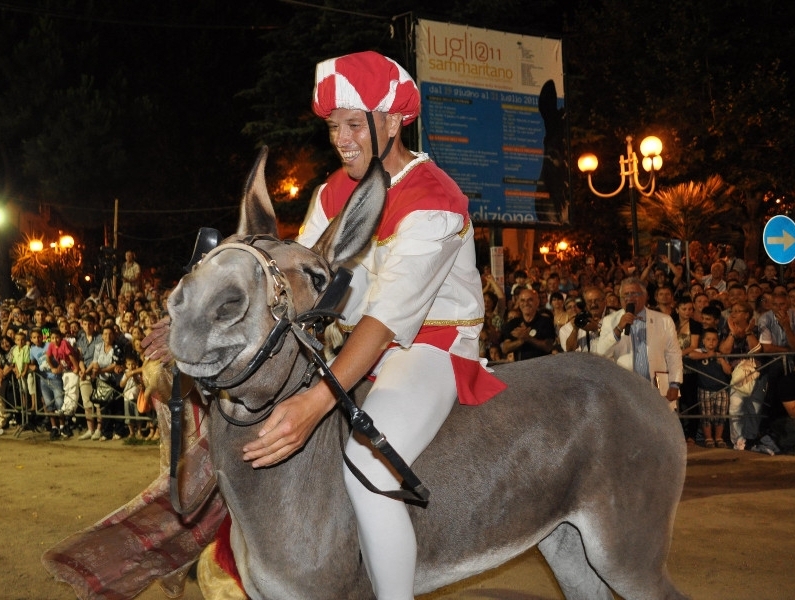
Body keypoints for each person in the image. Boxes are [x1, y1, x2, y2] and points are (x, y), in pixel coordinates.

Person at [241, 50, 504, 600]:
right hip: (364, 344)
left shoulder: (435, 197)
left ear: (393, 120)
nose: (340, 138)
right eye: (334, 127)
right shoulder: (333, 192)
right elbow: (303, 278)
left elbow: (386, 322)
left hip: (430, 348)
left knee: (368, 461)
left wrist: (315, 403)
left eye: (354, 124)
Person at [596, 277, 683, 404]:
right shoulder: (610, 321)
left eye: (634, 294)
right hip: (625, 391)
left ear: (645, 296)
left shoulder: (664, 320)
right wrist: (619, 328)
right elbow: (601, 353)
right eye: (625, 295)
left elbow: (673, 354)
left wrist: (675, 384)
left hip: (657, 389)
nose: (629, 298)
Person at [719, 300, 764, 450]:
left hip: (756, 373)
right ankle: (737, 441)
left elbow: (756, 350)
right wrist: (732, 333)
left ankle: (750, 439)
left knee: (754, 408)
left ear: (747, 315)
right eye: (732, 311)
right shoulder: (727, 329)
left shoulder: (756, 329)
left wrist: (748, 332)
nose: (733, 314)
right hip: (737, 375)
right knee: (735, 407)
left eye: (738, 311)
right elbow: (724, 350)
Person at [687, 329, 732, 448]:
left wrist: (721, 360)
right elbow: (691, 355)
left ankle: (718, 437)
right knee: (706, 415)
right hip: (705, 388)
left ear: (718, 341)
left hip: (721, 389)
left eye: (714, 340)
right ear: (703, 341)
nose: (711, 342)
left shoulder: (721, 354)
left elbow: (728, 371)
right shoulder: (700, 352)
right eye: (708, 339)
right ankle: (708, 438)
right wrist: (707, 355)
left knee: (720, 415)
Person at [500, 288, 556, 361]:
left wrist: (529, 338)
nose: (526, 303)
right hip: (520, 369)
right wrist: (520, 341)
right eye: (522, 300)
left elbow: (548, 346)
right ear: (519, 303)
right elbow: (505, 348)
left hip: (542, 368)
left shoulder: (546, 321)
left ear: (537, 302)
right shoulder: (513, 323)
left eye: (530, 300)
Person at [559, 286, 607, 353]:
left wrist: (596, 329)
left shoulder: (611, 317)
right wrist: (575, 329)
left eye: (597, 300)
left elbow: (613, 340)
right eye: (589, 301)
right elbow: (569, 350)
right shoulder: (582, 322)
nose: (593, 304)